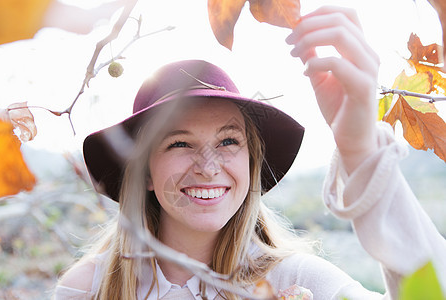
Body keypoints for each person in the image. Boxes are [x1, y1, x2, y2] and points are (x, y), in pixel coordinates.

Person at [54, 6, 446, 300]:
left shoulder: (295, 283)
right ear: (145, 174)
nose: (208, 167)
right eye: (179, 143)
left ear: (251, 162)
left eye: (228, 141)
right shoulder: (88, 289)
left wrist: (360, 149)